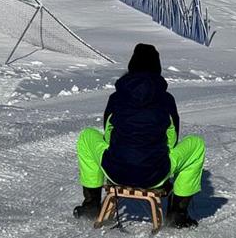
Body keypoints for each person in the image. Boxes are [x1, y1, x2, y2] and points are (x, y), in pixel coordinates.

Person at [73, 44, 205, 229]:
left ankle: (91, 205)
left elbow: (109, 135)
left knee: (87, 136)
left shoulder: (116, 98)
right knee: (196, 145)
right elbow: (172, 140)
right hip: (155, 174)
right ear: (157, 69)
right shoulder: (166, 100)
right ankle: (177, 213)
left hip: (116, 171)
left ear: (131, 67)